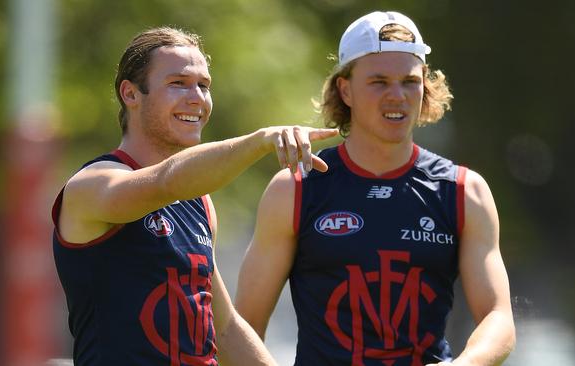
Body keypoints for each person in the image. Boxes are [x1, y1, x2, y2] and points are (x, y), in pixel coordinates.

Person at [235, 11, 515, 366]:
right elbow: (242, 328)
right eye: (379, 82)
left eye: (409, 81)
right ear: (345, 89)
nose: (397, 96)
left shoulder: (464, 191)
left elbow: (498, 318)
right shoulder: (295, 187)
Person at [51, 26, 338, 366]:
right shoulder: (91, 185)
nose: (197, 99)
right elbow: (165, 181)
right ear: (130, 93)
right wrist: (260, 141)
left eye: (204, 85)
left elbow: (226, 329)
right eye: (178, 84)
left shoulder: (198, 202)